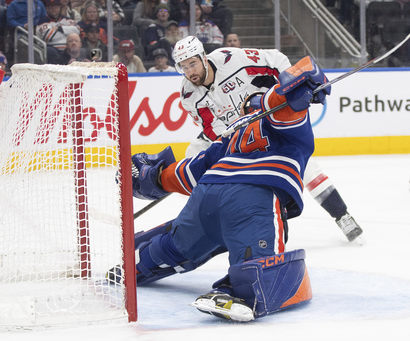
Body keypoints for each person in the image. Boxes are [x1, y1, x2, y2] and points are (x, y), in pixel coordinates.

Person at [119, 37, 333, 321]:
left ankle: (139, 262)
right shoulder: (282, 119)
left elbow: (191, 172)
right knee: (263, 267)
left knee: (175, 246)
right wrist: (305, 80)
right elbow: (283, 100)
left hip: (206, 196)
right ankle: (239, 290)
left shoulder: (228, 138)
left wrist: (155, 178)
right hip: (251, 198)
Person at [177, 36, 363, 243]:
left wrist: (294, 87)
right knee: (192, 156)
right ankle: (215, 216)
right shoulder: (188, 94)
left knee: (305, 166)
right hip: (238, 136)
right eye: (184, 67)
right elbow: (211, 127)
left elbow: (275, 59)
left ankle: (342, 215)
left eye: (192, 64)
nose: (190, 72)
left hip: (267, 121)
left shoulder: (231, 60)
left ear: (203, 57)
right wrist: (234, 137)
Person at [37, 0, 80, 64]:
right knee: (50, 51)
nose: (53, 9)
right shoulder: (42, 21)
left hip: (68, 49)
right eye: (50, 7)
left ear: (60, 7)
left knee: (79, 49)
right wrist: (67, 34)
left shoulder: (67, 19)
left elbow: (76, 31)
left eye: (55, 6)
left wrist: (59, 28)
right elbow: (48, 36)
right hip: (53, 49)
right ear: (46, 8)